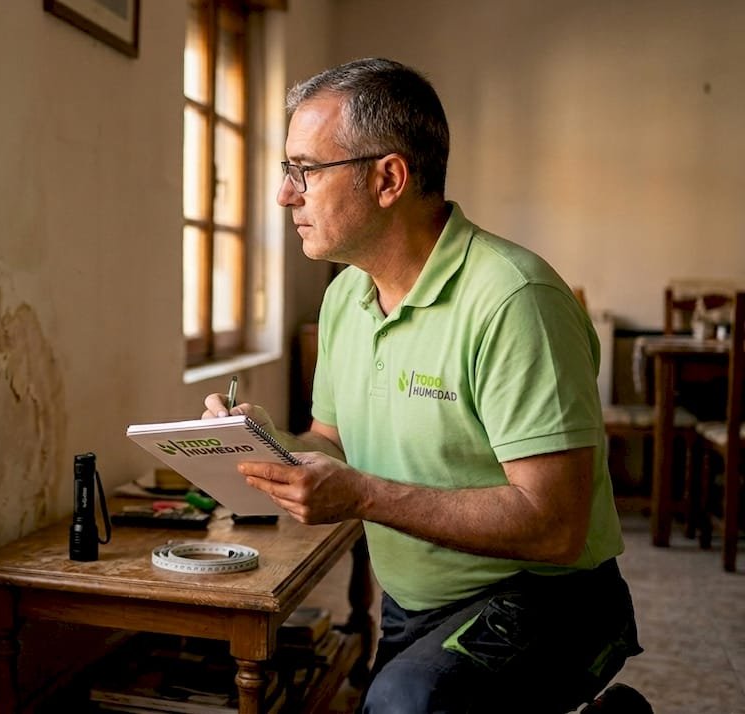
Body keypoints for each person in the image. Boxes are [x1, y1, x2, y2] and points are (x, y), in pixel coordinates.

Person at [202, 58, 642, 713]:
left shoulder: (515, 300)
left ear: (388, 178)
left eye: (306, 170)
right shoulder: (345, 297)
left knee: (406, 702)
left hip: (552, 599)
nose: (285, 195)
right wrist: (267, 442)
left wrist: (363, 495)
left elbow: (556, 527)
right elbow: (333, 446)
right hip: (417, 602)